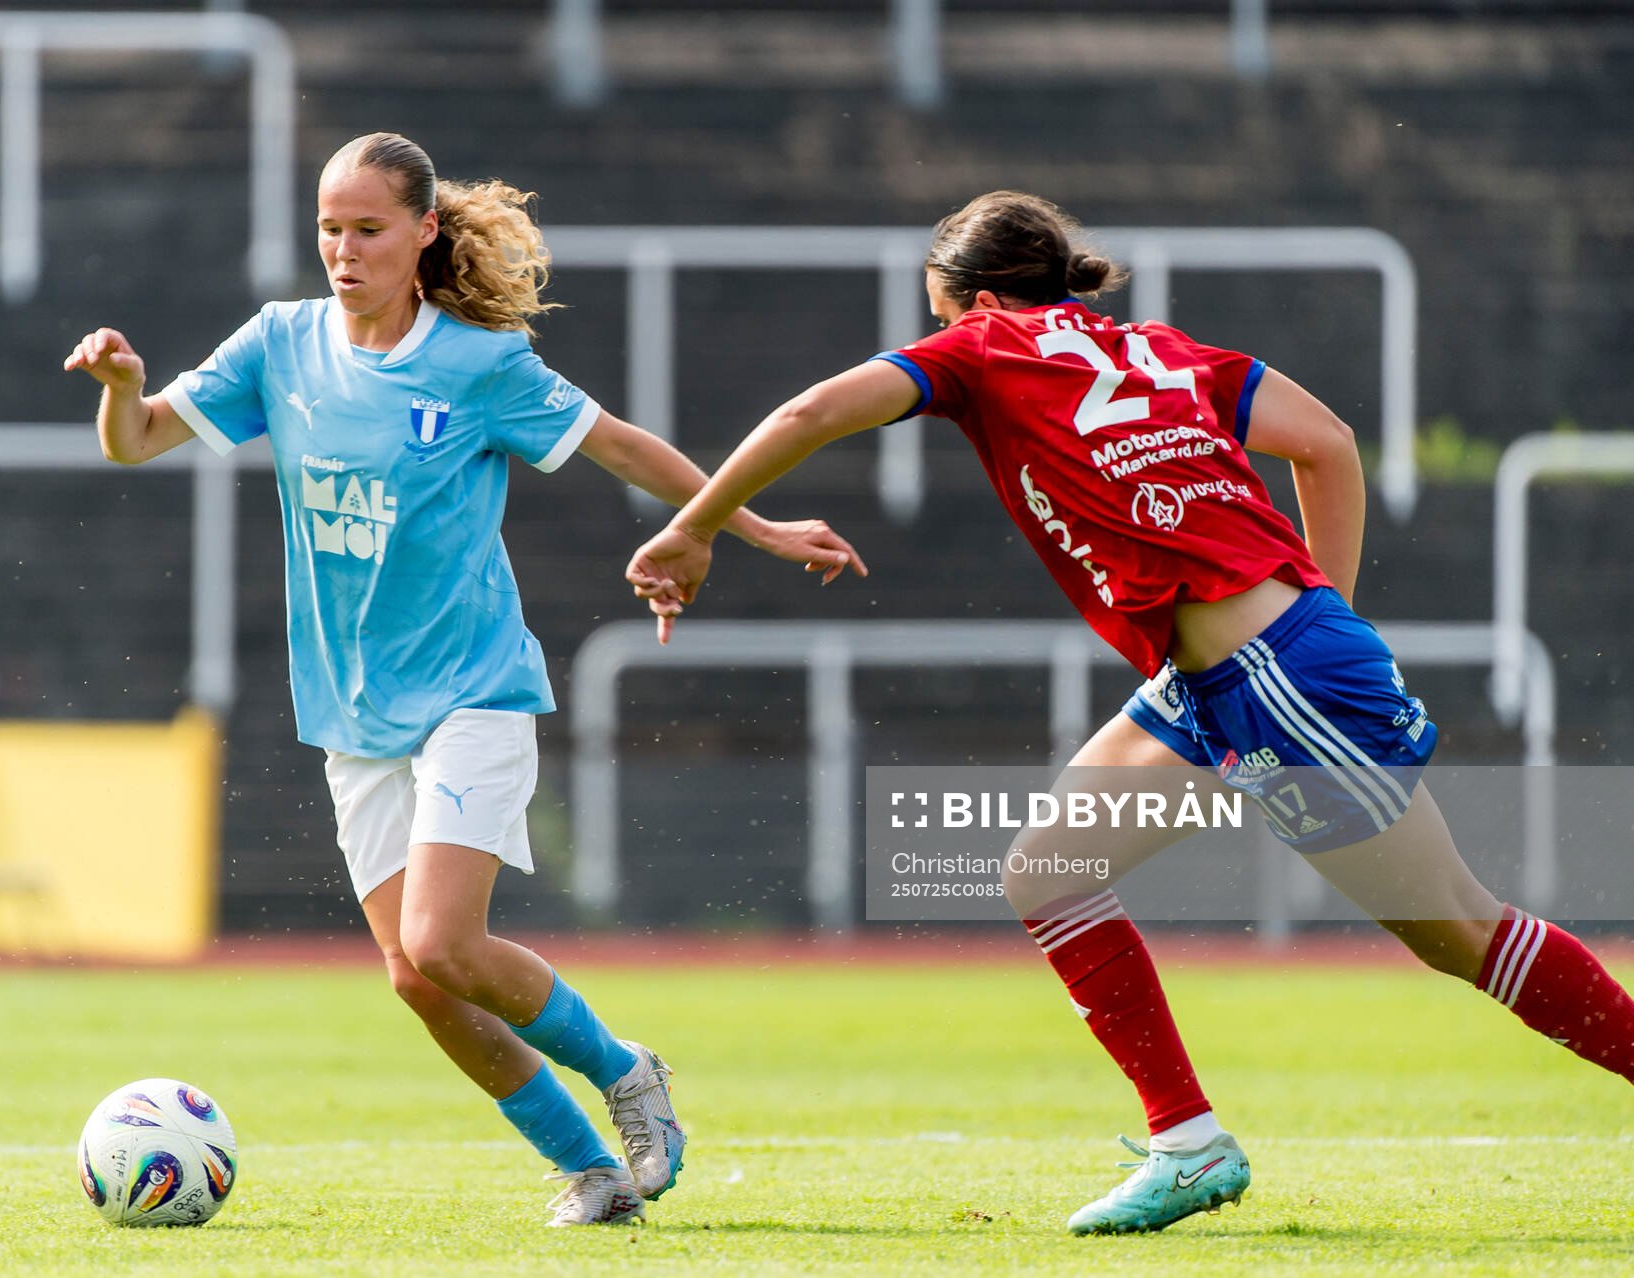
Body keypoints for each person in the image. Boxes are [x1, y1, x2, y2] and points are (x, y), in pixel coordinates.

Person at [625, 190, 1634, 1235]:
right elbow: (1327, 442)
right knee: (1047, 871)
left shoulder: (981, 345)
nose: (940, 332)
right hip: (1228, 675)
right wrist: (1321, 611)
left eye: (939, 313)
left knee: (1459, 929)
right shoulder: (1161, 348)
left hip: (1275, 676)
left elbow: (808, 414)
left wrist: (697, 529)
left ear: (964, 297)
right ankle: (1188, 1143)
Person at [64, 132, 864, 1227]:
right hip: (353, 714)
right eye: (329, 230)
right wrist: (123, 387)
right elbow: (137, 441)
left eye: (368, 230)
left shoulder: (478, 365)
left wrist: (754, 526)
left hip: (474, 692)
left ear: (423, 231)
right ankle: (591, 1171)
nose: (344, 252)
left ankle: (627, 1071)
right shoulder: (282, 344)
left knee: (444, 940)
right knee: (417, 980)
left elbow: (622, 447)